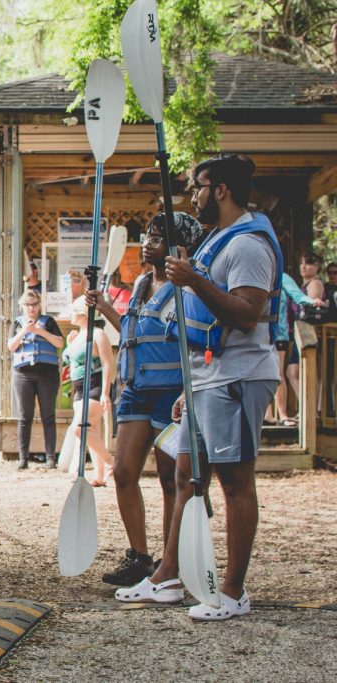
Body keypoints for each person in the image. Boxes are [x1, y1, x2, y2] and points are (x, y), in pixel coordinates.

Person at [133, 153, 282, 621]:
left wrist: (193, 279)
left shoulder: (249, 244)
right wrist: (189, 384)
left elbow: (247, 313)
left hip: (239, 375)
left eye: (198, 187)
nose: (192, 196)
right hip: (206, 376)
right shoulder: (219, 238)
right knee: (186, 477)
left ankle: (233, 592)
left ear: (220, 189)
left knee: (235, 482)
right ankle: (171, 575)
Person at [86, 213, 201, 587]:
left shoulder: (187, 288)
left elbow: (197, 342)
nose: (148, 242)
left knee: (171, 479)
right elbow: (133, 332)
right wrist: (104, 308)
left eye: (158, 237)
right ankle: (139, 556)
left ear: (178, 246)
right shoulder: (139, 283)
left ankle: (172, 562)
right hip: (135, 388)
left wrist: (189, 389)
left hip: (171, 392)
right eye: (147, 235)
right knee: (122, 472)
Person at [6, 289, 64, 470]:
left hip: (47, 373)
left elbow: (59, 343)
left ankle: (50, 459)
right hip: (23, 374)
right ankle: (23, 459)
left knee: (48, 415)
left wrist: (39, 331)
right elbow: (11, 346)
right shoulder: (17, 323)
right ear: (22, 306)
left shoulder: (49, 322)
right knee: (25, 416)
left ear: (40, 305)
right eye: (27, 305)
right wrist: (24, 331)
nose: (31, 308)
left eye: (34, 304)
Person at [62, 296, 115, 486]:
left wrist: (105, 392)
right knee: (92, 430)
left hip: (95, 384)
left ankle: (110, 463)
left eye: (74, 311)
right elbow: (70, 361)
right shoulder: (76, 336)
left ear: (83, 314)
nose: (71, 314)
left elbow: (108, 363)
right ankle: (100, 475)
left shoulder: (98, 334)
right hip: (78, 387)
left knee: (80, 428)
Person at [272, 271, 323, 426]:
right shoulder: (254, 272)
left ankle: (283, 415)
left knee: (278, 373)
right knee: (261, 375)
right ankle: (267, 415)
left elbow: (297, 295)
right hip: (256, 332)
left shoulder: (281, 276)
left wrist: (312, 301)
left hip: (279, 332)